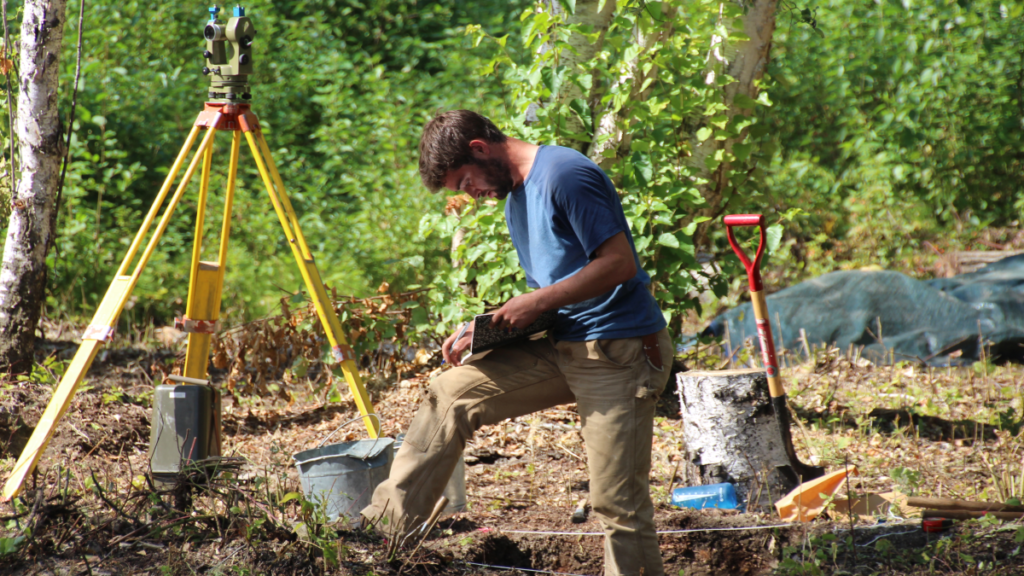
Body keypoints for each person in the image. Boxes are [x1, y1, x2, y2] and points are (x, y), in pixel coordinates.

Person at [361, 110, 672, 576]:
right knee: (449, 395)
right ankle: (379, 541)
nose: (473, 195)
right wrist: (491, 326)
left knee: (617, 505)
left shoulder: (565, 174)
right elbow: (556, 293)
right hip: (565, 346)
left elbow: (618, 264)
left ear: (480, 149)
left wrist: (534, 301)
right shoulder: (515, 199)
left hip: (618, 352)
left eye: (465, 182)